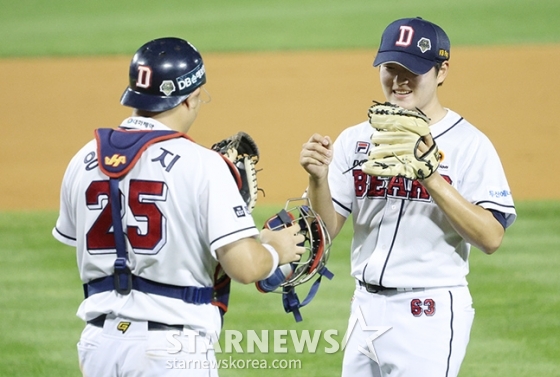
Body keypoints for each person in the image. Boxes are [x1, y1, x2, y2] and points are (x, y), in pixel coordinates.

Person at [52, 37, 305, 377]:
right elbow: (244, 267)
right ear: (187, 99)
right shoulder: (203, 165)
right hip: (170, 351)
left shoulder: (83, 159)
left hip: (98, 346)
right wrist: (274, 249)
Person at [299, 17, 516, 376]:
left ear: (441, 71)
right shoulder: (355, 138)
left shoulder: (469, 144)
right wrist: (318, 179)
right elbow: (326, 229)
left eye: (412, 70)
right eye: (390, 67)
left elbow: (491, 237)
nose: (399, 80)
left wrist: (432, 179)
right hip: (365, 308)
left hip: (427, 313)